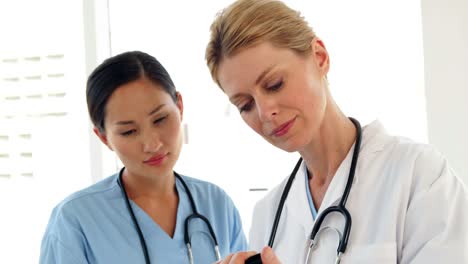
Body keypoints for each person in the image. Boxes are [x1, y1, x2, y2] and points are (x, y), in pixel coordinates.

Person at [205, 0, 468, 263]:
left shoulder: (418, 176)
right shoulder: (268, 215)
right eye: (245, 105)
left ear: (319, 57)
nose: (264, 112)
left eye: (274, 84)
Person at [40, 51, 247, 263]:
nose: (152, 144)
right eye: (129, 132)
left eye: (160, 119)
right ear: (103, 138)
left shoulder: (216, 204)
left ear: (180, 106)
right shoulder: (74, 220)